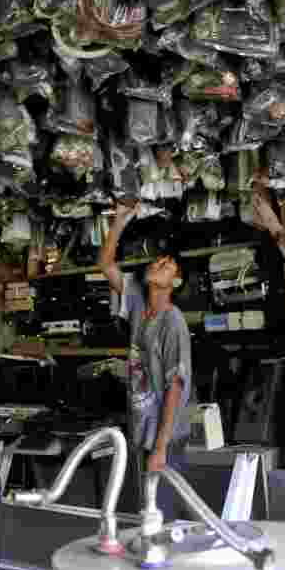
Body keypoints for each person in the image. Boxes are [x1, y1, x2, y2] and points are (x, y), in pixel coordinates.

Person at [99, 203, 193, 523]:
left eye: (168, 264)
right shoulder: (138, 300)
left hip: (166, 437)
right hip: (143, 429)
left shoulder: (173, 322)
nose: (159, 262)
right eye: (158, 259)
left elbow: (176, 387)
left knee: (161, 520)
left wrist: (162, 447)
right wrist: (120, 220)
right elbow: (106, 263)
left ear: (175, 283)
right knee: (147, 515)